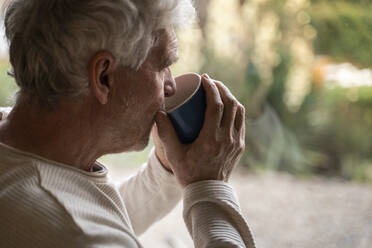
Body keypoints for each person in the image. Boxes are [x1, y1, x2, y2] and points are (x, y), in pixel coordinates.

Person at [0, 0, 256, 247]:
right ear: (104, 77)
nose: (171, 86)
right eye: (163, 65)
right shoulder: (78, 237)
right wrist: (210, 188)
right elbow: (83, 229)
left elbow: (89, 214)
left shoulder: (22, 156)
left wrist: (166, 170)